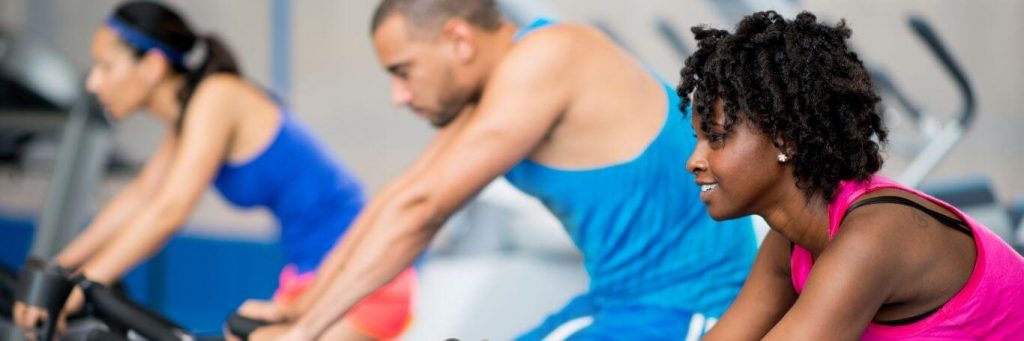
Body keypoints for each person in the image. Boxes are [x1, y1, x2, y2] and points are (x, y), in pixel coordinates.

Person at [239, 0, 756, 339]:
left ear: (459, 40)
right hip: (621, 301)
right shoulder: (497, 85)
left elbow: (422, 211)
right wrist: (298, 309)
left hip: (691, 305)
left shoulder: (549, 56)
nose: (399, 95)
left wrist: (304, 333)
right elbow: (402, 194)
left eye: (403, 71)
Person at [11, 2, 413, 340]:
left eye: (105, 66)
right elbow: (140, 197)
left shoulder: (217, 97)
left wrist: (83, 286)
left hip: (363, 275)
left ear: (152, 66)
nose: (94, 83)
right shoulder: (187, 119)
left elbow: (168, 211)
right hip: (309, 276)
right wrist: (56, 269)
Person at [678, 10, 1024, 340]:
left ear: (784, 139)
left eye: (716, 137)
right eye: (698, 139)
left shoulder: (871, 238)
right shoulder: (791, 244)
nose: (693, 161)